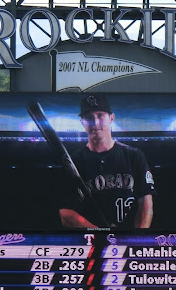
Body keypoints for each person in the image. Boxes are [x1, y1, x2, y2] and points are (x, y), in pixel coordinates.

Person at [59, 95, 155, 230]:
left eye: (100, 116)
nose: (95, 123)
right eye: (89, 117)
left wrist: (136, 237)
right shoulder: (73, 162)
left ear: (111, 118)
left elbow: (146, 203)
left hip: (129, 237)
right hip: (89, 239)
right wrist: (100, 233)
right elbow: (65, 213)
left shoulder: (133, 156)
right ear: (82, 122)